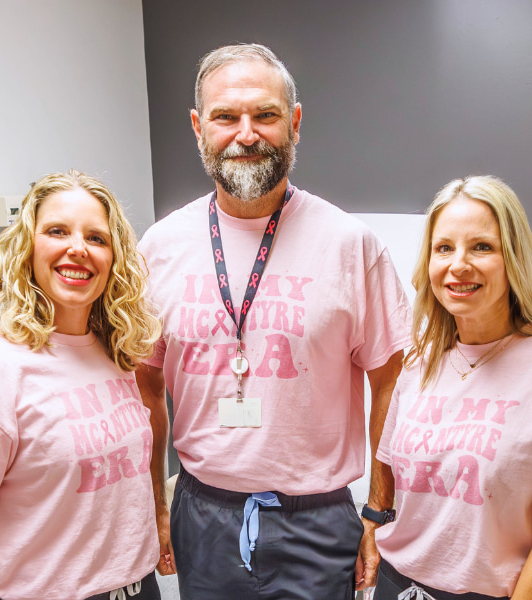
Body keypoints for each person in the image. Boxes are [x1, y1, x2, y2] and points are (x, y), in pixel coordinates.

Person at [135, 44, 412, 599]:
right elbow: (143, 388)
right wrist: (152, 505)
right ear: (197, 126)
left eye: (265, 115)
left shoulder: (350, 246)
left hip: (318, 522)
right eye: (225, 117)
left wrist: (380, 511)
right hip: (203, 516)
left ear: (295, 122)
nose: (245, 133)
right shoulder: (159, 247)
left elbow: (393, 382)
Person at [368, 175, 532, 600]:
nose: (458, 264)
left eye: (481, 247)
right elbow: (392, 473)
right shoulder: (418, 364)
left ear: (514, 258)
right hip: (397, 586)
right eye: (444, 248)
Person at [0, 170, 164, 600]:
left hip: (138, 588)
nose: (78, 248)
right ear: (27, 248)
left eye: (97, 238)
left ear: (114, 259)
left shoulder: (117, 353)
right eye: (57, 231)